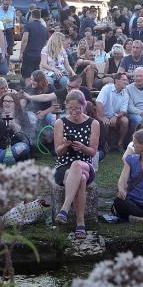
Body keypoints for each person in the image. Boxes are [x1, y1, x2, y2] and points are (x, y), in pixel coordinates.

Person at [53, 90, 100, 239]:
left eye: (77, 109)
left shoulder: (94, 123)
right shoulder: (60, 122)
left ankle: (65, 208)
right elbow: (58, 152)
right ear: (66, 107)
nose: (74, 112)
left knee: (77, 165)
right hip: (63, 165)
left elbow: (93, 152)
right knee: (81, 179)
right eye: (70, 109)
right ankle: (81, 224)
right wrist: (66, 145)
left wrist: (82, 147)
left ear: (84, 106)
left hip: (85, 163)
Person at [0, 91, 31, 163]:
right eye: (4, 101)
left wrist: (15, 126)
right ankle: (9, 157)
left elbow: (27, 135)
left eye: (10, 101)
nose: (6, 103)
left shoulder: (23, 115)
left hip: (17, 145)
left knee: (22, 147)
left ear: (15, 103)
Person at [96, 72, 131, 152]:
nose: (126, 82)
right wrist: (102, 117)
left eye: (127, 80)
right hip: (103, 114)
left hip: (115, 116)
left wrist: (115, 116)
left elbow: (123, 111)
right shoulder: (107, 88)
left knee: (125, 121)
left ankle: (120, 144)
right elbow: (99, 102)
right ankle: (104, 144)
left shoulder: (125, 94)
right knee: (104, 123)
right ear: (116, 80)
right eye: (124, 80)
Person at [19, 9, 48, 79]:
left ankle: (28, 89)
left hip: (29, 54)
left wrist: (21, 53)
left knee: (27, 76)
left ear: (31, 16)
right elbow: (46, 44)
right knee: (37, 77)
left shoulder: (28, 25)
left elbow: (25, 39)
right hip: (39, 55)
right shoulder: (45, 29)